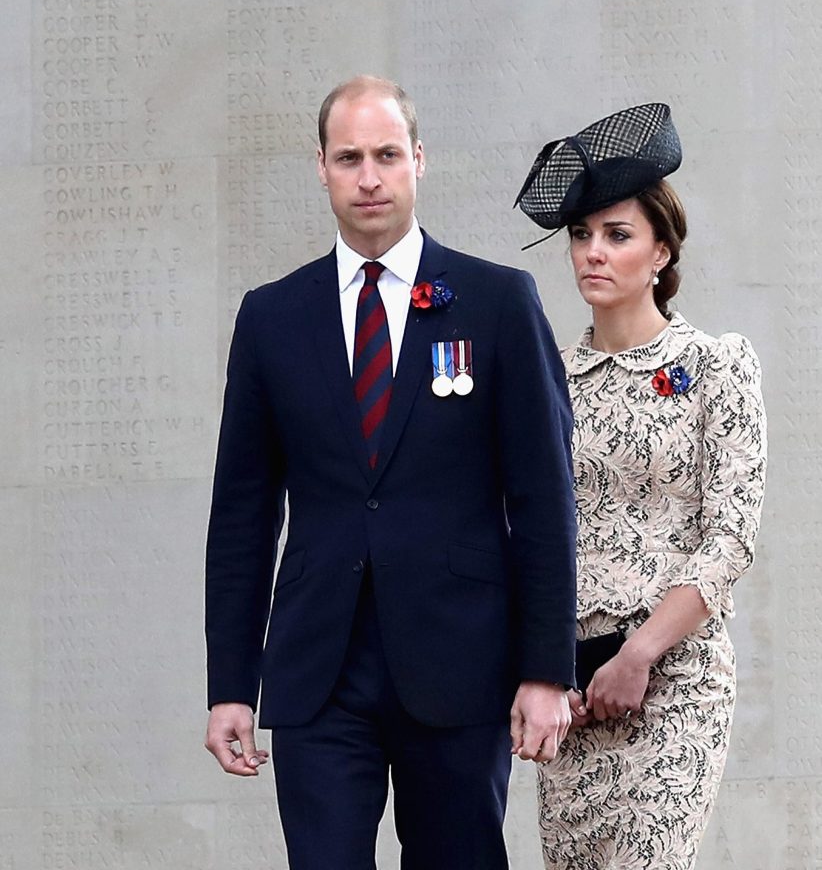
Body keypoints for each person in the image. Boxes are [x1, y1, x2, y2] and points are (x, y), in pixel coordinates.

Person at [204, 75, 578, 870]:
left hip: (460, 665)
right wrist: (231, 684)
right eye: (349, 158)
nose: (368, 177)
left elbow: (544, 500)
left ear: (418, 161)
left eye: (385, 155)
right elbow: (241, 515)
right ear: (321, 168)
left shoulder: (498, 301)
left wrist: (546, 671)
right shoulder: (271, 317)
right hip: (318, 670)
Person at [515, 103, 767, 870]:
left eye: (617, 235)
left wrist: (641, 654)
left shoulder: (719, 365)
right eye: (582, 235)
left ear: (661, 251)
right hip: (574, 687)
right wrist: (545, 672)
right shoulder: (548, 377)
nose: (594, 252)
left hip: (676, 677)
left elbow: (732, 535)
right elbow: (522, 530)